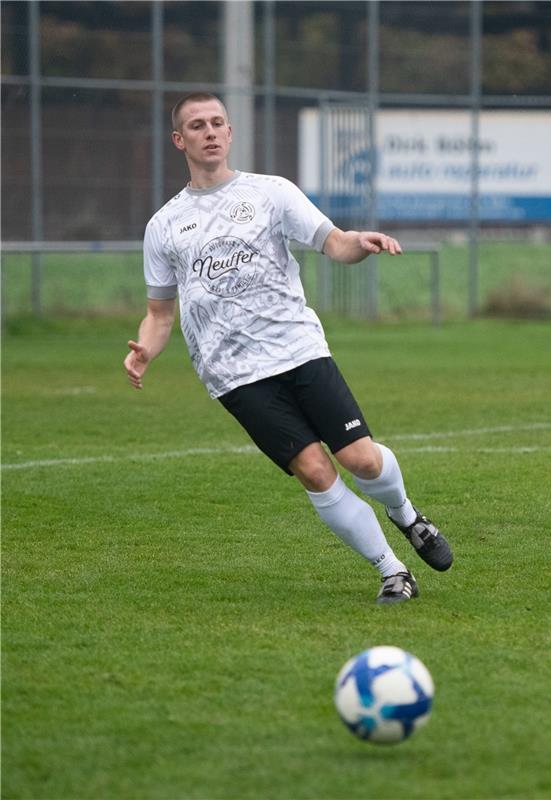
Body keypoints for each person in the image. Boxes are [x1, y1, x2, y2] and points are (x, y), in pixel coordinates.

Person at [123, 92, 453, 605]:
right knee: (315, 471)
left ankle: (407, 515)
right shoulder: (164, 225)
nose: (208, 132)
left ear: (230, 134)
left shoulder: (271, 193)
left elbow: (334, 242)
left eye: (216, 123)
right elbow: (160, 313)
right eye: (196, 125)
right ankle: (392, 571)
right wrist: (145, 348)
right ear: (179, 140)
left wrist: (359, 243)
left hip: (298, 350)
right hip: (233, 375)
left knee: (361, 460)